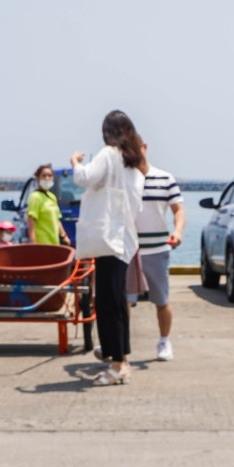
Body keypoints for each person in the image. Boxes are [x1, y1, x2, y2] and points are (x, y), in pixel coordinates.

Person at [71, 111, 145, 386]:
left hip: (107, 242)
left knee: (107, 304)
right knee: (118, 304)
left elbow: (84, 178)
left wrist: (75, 162)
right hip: (124, 241)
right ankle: (123, 362)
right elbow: (136, 205)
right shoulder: (133, 165)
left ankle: (116, 366)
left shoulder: (108, 154)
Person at [134, 147, 185, 361]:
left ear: (144, 148)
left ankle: (164, 341)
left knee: (161, 300)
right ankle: (117, 345)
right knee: (122, 301)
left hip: (157, 249)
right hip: (129, 250)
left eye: (136, 147)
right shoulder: (124, 179)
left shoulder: (165, 178)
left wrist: (178, 231)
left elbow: (178, 209)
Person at [26, 164, 69, 246]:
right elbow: (31, 219)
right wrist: (32, 241)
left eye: (50, 175)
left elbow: (57, 220)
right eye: (44, 175)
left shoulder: (52, 197)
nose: (47, 178)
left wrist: (64, 236)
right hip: (42, 244)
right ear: (38, 178)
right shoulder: (35, 197)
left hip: (54, 242)